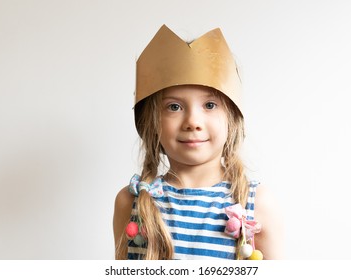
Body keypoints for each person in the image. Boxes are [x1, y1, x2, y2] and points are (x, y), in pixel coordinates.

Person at [113, 25, 284, 260]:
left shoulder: (256, 204)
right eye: (174, 107)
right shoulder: (131, 203)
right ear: (152, 122)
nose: (193, 121)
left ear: (231, 119)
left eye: (210, 105)